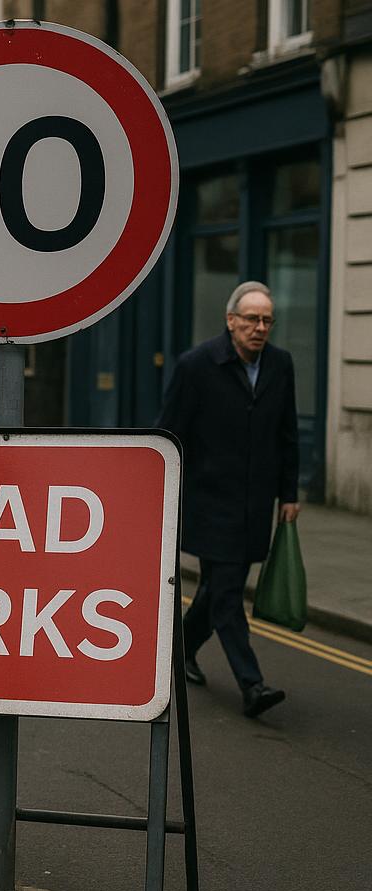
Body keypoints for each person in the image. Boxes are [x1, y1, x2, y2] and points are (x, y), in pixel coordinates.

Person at [158, 280, 299, 719]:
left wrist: (289, 494)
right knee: (227, 595)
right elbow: (171, 432)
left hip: (256, 503)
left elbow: (287, 434)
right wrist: (165, 491)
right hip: (210, 502)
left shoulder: (281, 364)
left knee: (219, 588)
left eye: (267, 320)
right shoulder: (196, 365)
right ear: (230, 321)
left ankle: (179, 652)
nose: (259, 328)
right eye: (251, 319)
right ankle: (252, 684)